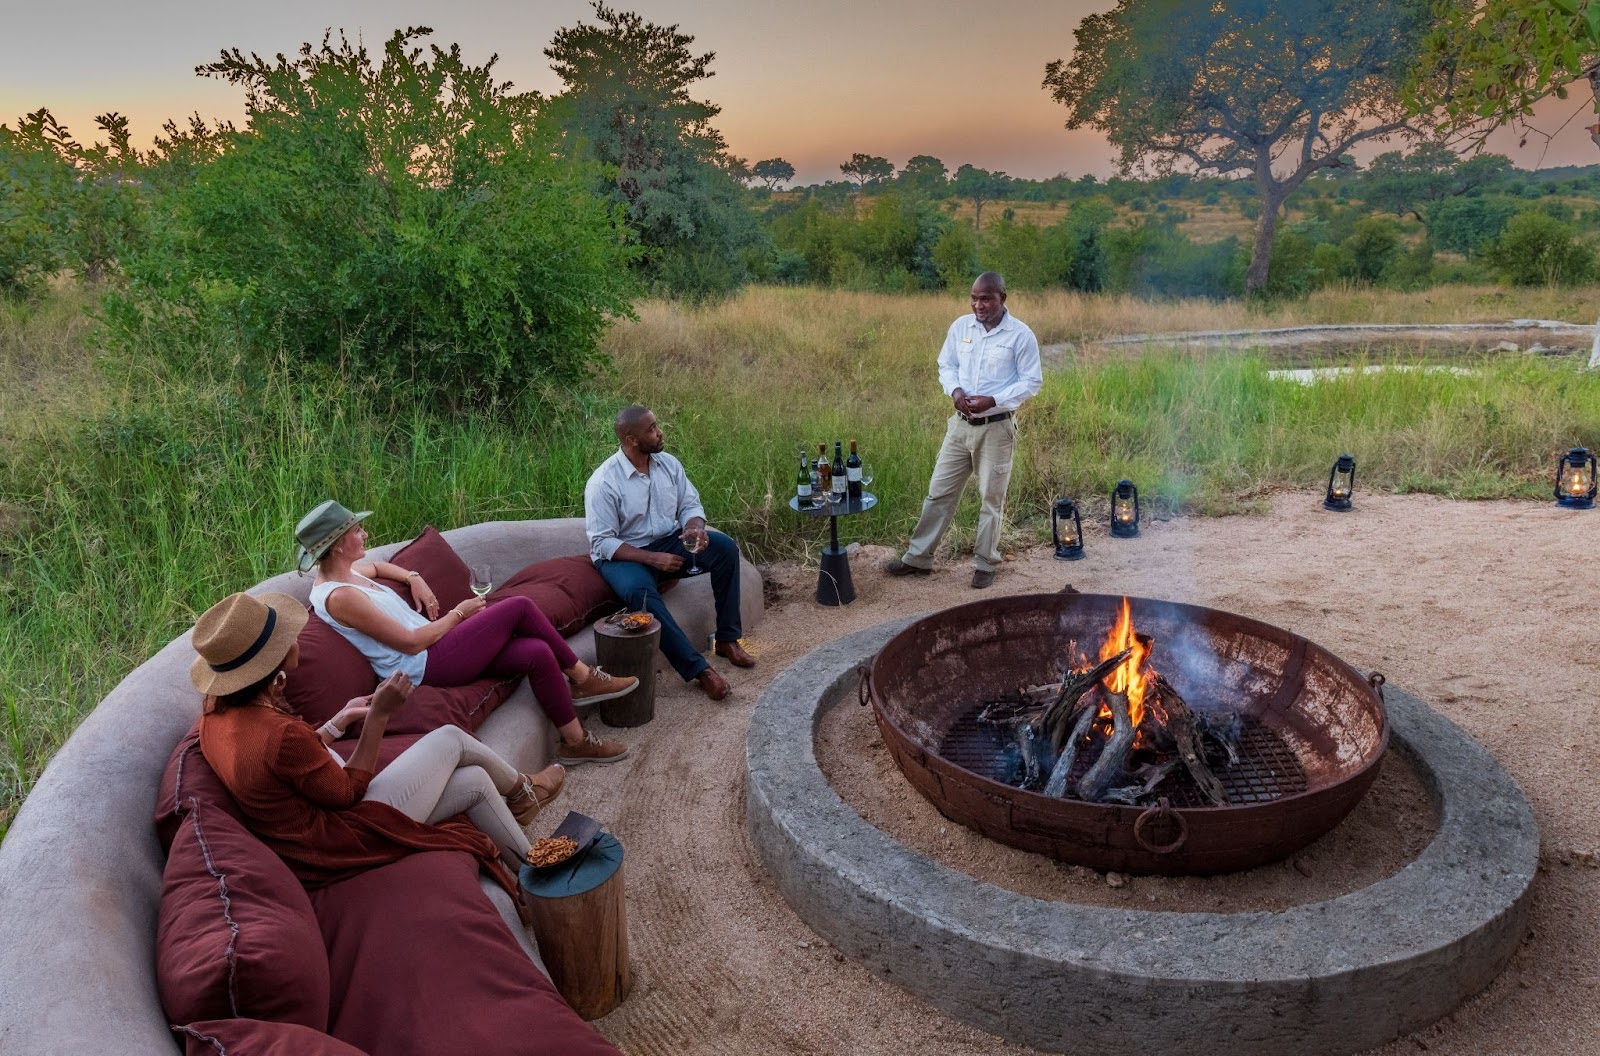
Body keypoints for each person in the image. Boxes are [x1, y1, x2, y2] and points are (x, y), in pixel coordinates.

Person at [191, 591, 562, 897]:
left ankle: (537, 879)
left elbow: (281, 765)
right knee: (450, 738)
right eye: (287, 634)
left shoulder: (218, 717)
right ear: (273, 662)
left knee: (476, 782)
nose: (296, 636)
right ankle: (525, 789)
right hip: (340, 839)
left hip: (313, 832)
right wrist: (379, 717)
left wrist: (338, 722)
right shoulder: (278, 733)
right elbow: (347, 793)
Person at [296, 500, 634, 766]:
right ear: (339, 544)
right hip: (425, 664)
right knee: (518, 607)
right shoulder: (340, 597)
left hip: (436, 646)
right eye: (358, 530)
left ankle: (575, 744)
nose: (365, 535)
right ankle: (583, 676)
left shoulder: (346, 573)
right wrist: (459, 613)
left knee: (536, 652)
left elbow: (382, 566)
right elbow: (411, 643)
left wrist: (414, 577)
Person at [885, 272, 1043, 589]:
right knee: (939, 492)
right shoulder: (961, 327)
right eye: (973, 297)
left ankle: (985, 563)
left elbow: (1031, 382)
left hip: (996, 428)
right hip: (959, 426)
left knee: (991, 498)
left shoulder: (1020, 335)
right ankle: (918, 558)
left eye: (985, 298)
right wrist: (955, 391)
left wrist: (994, 400)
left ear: (1002, 299)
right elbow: (947, 365)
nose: (978, 305)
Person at [584, 406, 753, 701]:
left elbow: (690, 505)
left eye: (656, 425)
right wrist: (651, 559)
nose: (659, 432)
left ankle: (727, 640)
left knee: (724, 548)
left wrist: (694, 528)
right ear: (630, 439)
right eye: (650, 429)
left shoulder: (668, 465)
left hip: (668, 542)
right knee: (642, 594)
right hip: (623, 556)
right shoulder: (604, 482)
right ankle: (699, 670)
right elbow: (602, 542)